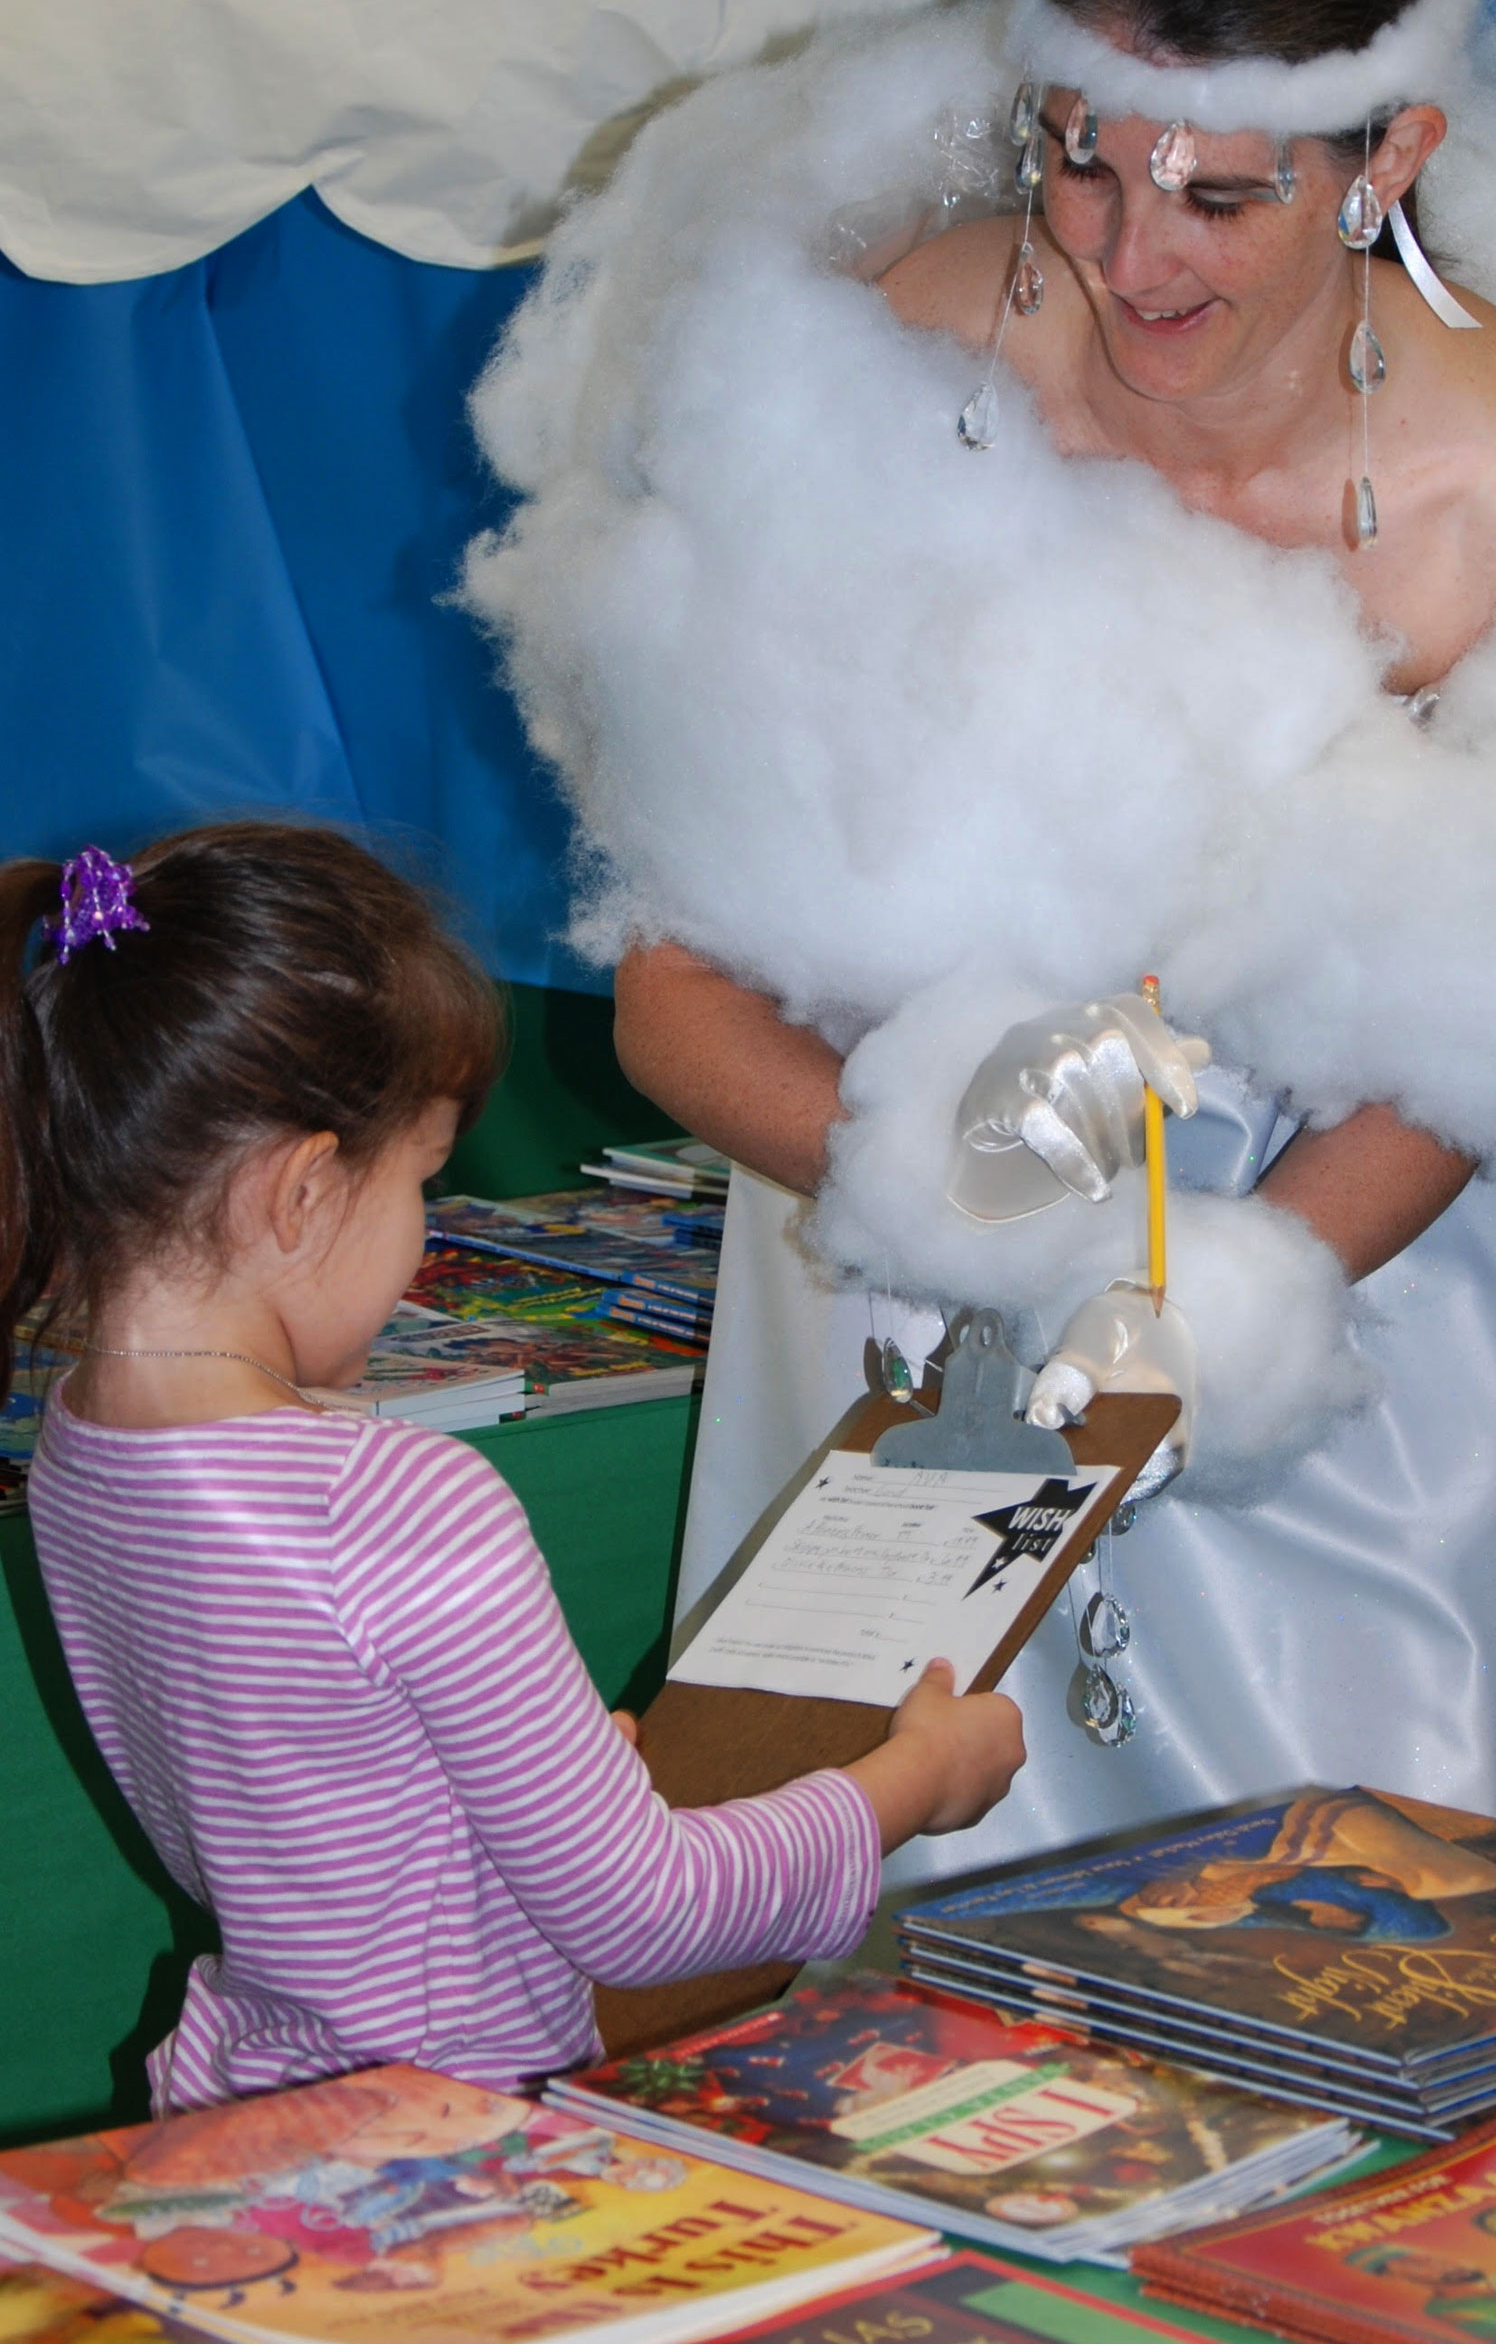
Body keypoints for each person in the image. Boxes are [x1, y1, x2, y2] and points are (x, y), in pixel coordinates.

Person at [464, 0, 1496, 1871]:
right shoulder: (886, 362)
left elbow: (1470, 1054)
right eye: (1082, 160)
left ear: (1390, 163)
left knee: (1308, 1910)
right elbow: (673, 972)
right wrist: (937, 1203)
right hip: (889, 1246)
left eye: (1220, 198)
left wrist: (1220, 1305)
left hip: (1302, 1323)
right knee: (856, 1941)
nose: (1127, 253)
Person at [4, 824, 1023, 2111]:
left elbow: (305, 1819)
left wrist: (504, 1798)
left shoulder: (82, 1446)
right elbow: (645, 1920)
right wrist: (910, 1783)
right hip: (453, 2143)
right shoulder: (394, 1500)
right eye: (423, 1178)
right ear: (303, 1193)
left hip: (240, 2104)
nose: (424, 1234)